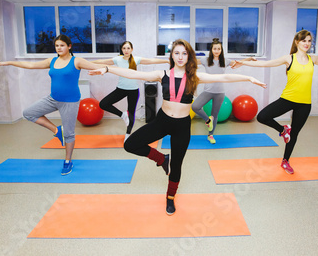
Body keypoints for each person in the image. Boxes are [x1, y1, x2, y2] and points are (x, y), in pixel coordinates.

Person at [89, 39, 266, 215]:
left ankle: (171, 197)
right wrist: (107, 68)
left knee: (177, 165)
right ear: (172, 55)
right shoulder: (162, 74)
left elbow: (224, 77)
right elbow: (134, 74)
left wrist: (249, 78)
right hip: (162, 121)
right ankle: (161, 159)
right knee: (130, 144)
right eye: (176, 53)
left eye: (184, 53)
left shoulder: (195, 76)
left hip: (182, 125)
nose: (180, 57)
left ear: (188, 56)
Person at [233, 29, 318, 175]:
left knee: (294, 134)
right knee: (262, 116)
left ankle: (285, 161)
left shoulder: (313, 59)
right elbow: (267, 64)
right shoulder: (289, 58)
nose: (307, 43)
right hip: (288, 99)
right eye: (304, 40)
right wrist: (243, 63)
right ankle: (283, 130)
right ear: (297, 42)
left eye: (309, 41)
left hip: (304, 103)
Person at [0, 34, 104, 176]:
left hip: (70, 102)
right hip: (53, 99)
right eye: (57, 45)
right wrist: (9, 63)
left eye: (62, 45)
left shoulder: (77, 61)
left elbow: (97, 67)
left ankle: (68, 161)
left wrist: (111, 66)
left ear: (69, 46)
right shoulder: (52, 61)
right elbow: (31, 65)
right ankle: (57, 131)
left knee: (69, 134)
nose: (59, 48)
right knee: (28, 113)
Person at [92, 41, 168, 140]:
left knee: (131, 113)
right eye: (124, 48)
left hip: (133, 91)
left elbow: (151, 60)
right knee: (103, 104)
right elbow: (103, 62)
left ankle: (127, 135)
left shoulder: (136, 59)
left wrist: (166, 61)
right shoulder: (117, 59)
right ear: (121, 49)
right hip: (121, 89)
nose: (126, 50)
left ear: (132, 49)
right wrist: (86, 62)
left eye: (128, 48)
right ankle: (122, 115)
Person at [192, 38, 256, 144]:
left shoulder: (225, 61)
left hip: (220, 92)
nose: (216, 51)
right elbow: (192, 62)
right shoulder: (205, 60)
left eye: (219, 49)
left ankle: (211, 135)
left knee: (215, 115)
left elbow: (238, 63)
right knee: (195, 106)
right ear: (211, 50)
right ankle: (208, 121)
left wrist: (249, 59)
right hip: (207, 91)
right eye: (215, 48)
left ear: (221, 50)